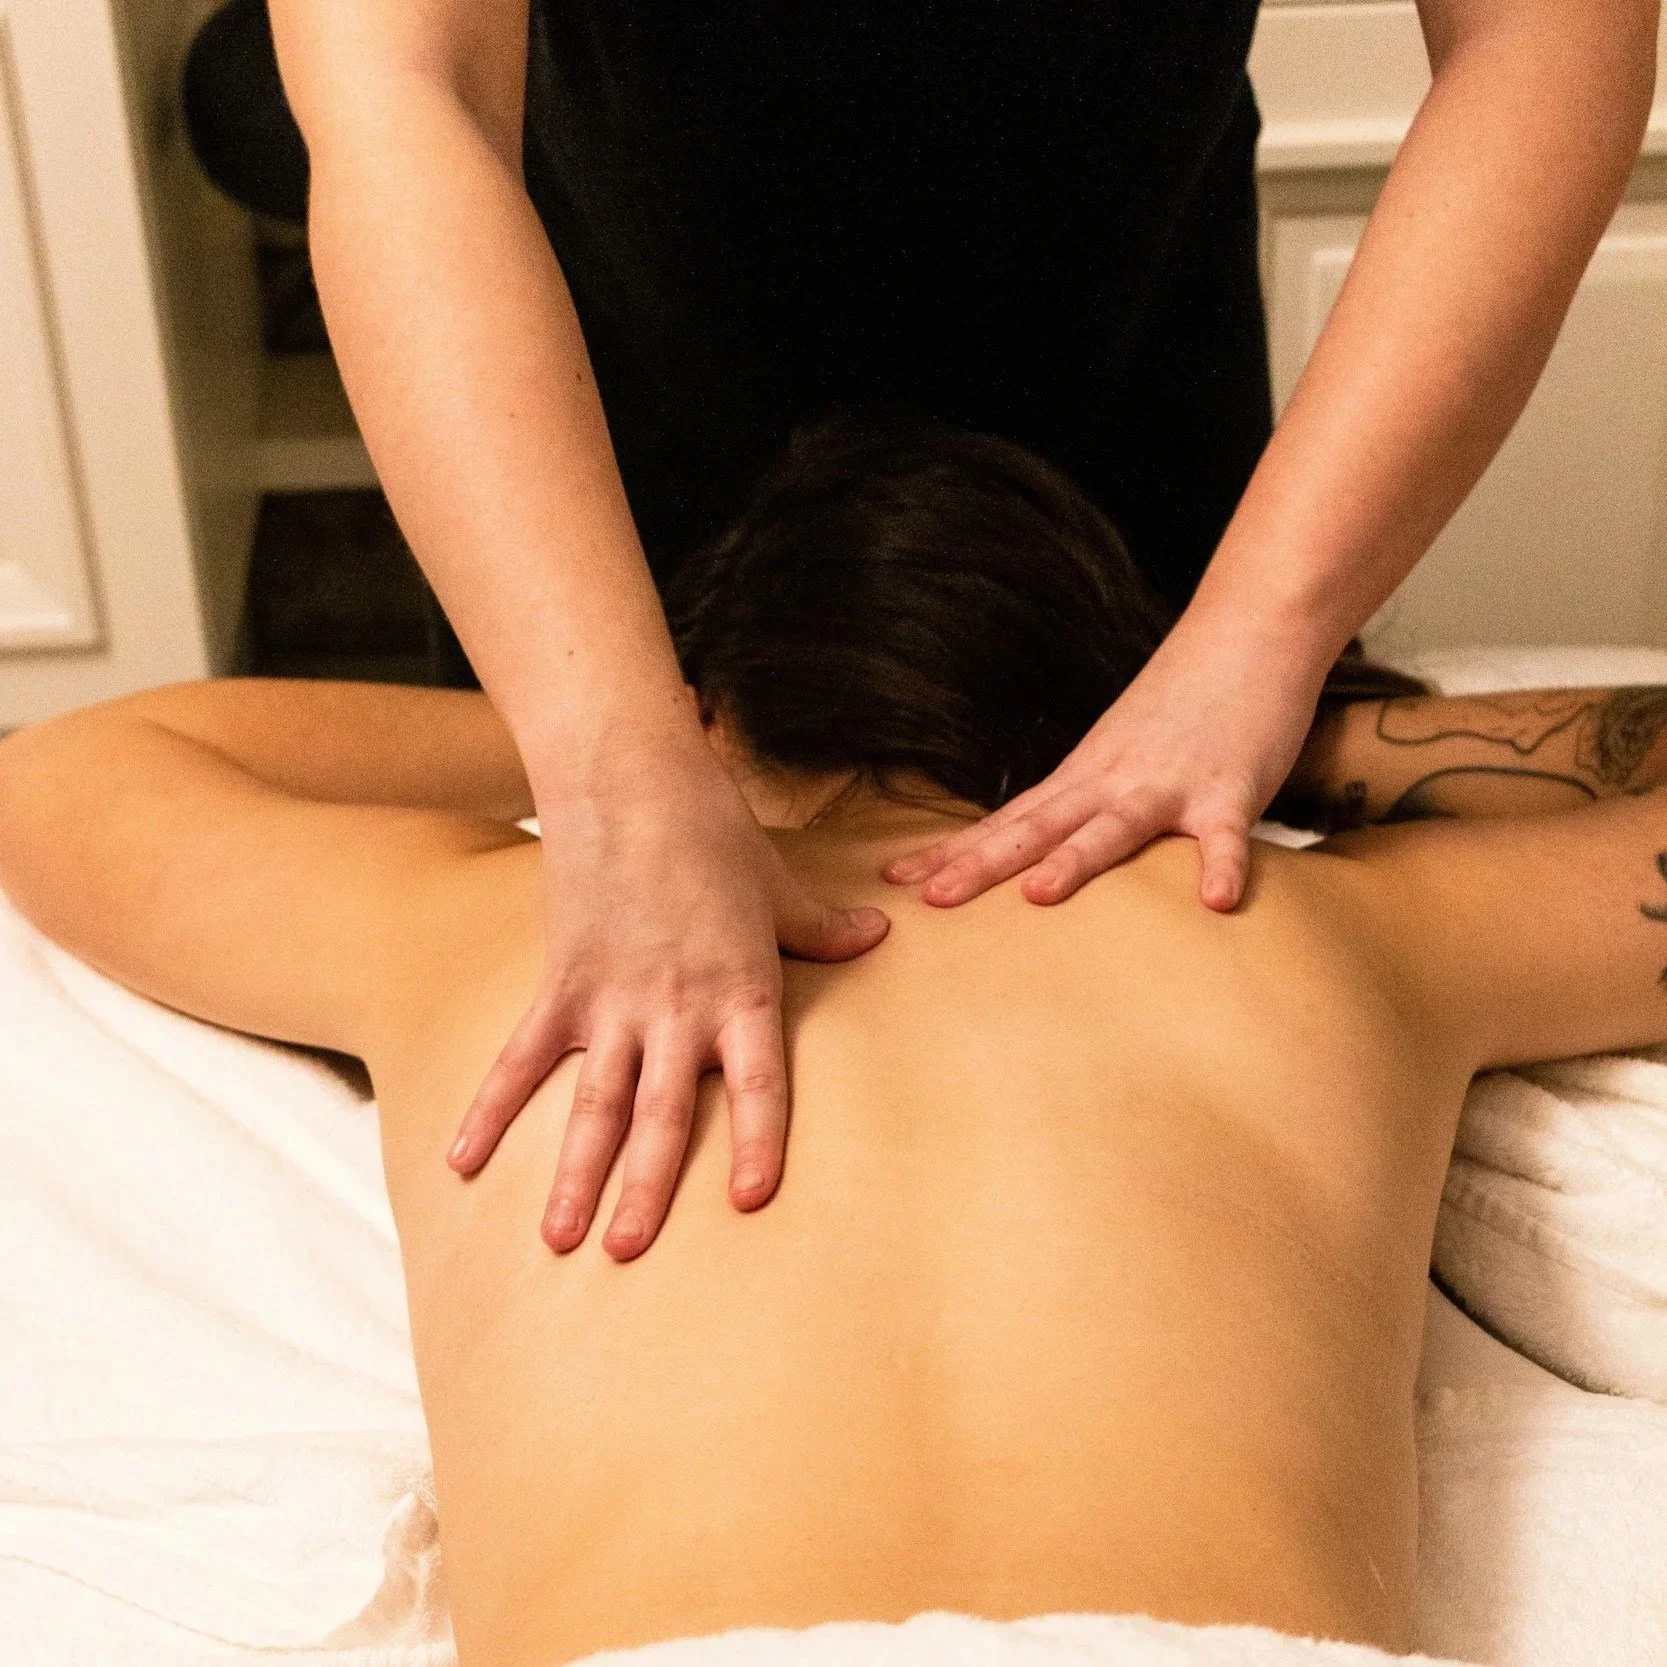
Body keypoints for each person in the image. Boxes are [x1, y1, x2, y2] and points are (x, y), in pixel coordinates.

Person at [4, 416, 1667, 1666]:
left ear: (720, 704)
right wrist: (1301, 733)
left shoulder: (492, 929)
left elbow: (63, 771)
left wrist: (627, 741)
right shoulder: (1325, 934)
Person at [262, 0, 1663, 1254]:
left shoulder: (1322, 942)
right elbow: (403, 91)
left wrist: (1262, 641)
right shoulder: (1334, 947)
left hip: (1125, 479)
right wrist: (606, 758)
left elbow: (1541, 34)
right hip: (592, 490)